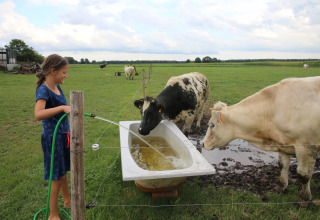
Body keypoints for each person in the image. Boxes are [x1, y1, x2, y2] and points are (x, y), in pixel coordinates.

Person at [35, 54, 71, 220]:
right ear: (52, 70)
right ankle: (53, 214)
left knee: (63, 171)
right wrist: (62, 107)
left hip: (63, 136)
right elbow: (38, 114)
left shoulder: (57, 87)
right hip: (53, 138)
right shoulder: (43, 89)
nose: (65, 76)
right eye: (63, 72)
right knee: (56, 175)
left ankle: (67, 200)